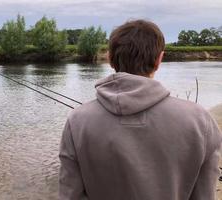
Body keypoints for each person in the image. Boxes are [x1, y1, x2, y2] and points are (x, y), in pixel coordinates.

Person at [59, 20, 222, 200]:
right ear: (159, 59)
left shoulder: (77, 121)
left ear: (111, 59)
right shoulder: (200, 121)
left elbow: (70, 195)